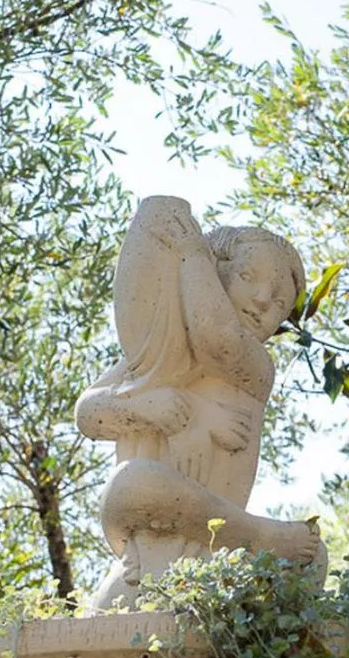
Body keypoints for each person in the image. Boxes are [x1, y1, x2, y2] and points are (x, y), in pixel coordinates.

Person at [74, 196, 325, 609]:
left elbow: (216, 338)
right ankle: (258, 533)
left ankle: (251, 542)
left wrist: (192, 253)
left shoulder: (255, 364)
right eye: (248, 276)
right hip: (144, 534)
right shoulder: (155, 363)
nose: (264, 300)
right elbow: (88, 414)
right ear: (217, 273)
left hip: (214, 549)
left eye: (280, 303)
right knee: (132, 480)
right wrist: (148, 404)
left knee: (314, 558)